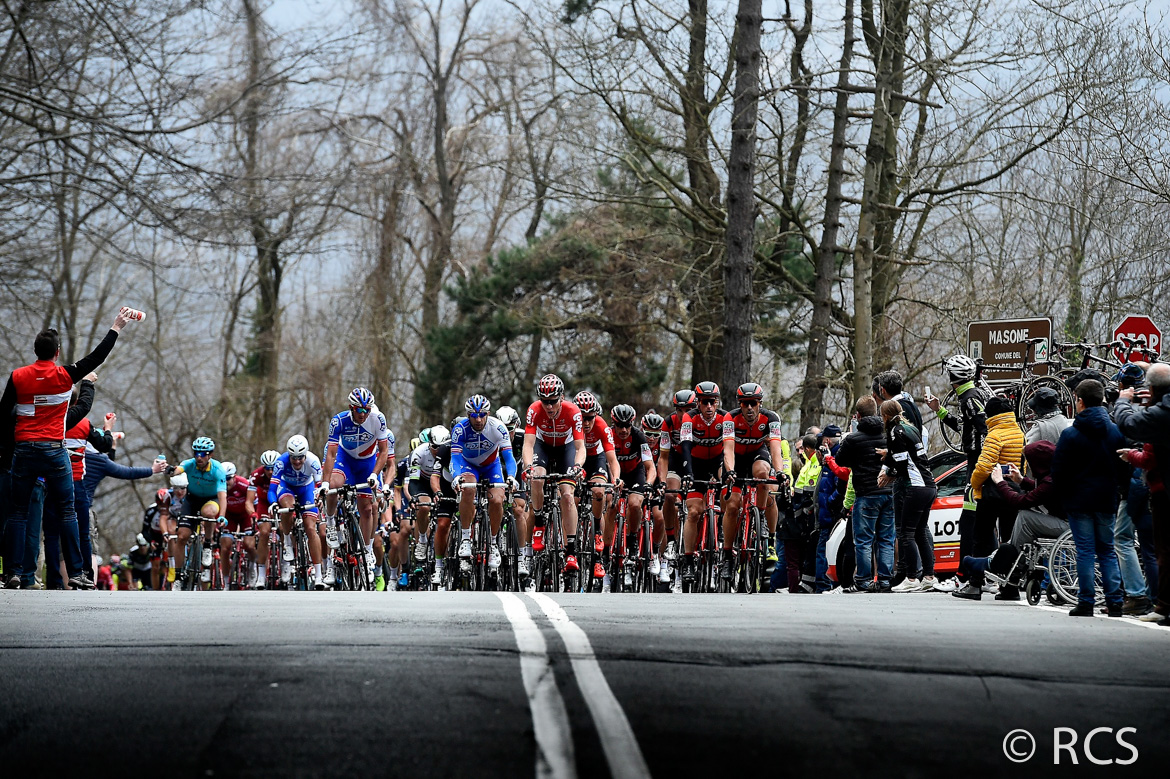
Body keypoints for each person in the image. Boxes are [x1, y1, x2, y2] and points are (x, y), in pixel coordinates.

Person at [0, 306, 139, 589]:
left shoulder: (17, 377)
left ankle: (12, 572)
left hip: (24, 450)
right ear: (57, 352)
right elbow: (97, 357)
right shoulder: (66, 375)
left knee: (17, 513)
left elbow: (4, 415)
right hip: (53, 449)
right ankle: (77, 573)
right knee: (67, 512)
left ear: (35, 351)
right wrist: (116, 328)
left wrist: (6, 451)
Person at [1052, 379, 1125, 617]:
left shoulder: (1070, 434)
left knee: (1085, 550)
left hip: (1078, 501)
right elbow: (1124, 467)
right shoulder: (1115, 431)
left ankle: (1086, 601)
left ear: (1080, 401)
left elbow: (1059, 472)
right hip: (1106, 500)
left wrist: (1063, 498)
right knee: (1107, 550)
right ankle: (1115, 601)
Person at [961, 440, 1067, 598]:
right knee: (1026, 524)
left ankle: (996, 564)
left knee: (1025, 517)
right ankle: (1007, 577)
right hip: (1068, 523)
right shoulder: (1056, 475)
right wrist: (1021, 481)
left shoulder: (1052, 481)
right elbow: (1042, 490)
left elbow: (1019, 501)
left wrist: (1000, 482)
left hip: (1068, 526)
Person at [925, 354, 988, 593]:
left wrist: (983, 463)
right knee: (979, 521)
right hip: (977, 463)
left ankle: (963, 576)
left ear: (953, 376)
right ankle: (985, 574)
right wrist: (939, 410)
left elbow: (984, 429)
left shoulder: (969, 399)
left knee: (969, 522)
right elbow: (966, 426)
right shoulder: (969, 396)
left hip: (976, 465)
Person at [952, 395, 1025, 601]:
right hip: (1012, 492)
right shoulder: (1019, 433)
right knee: (1009, 540)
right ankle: (1010, 586)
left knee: (981, 537)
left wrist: (975, 485)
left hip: (991, 493)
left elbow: (983, 466)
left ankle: (975, 585)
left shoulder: (995, 434)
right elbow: (1023, 463)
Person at [1113, 362, 1170, 626]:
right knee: (1152, 548)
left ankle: (1157, 603)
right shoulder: (1161, 408)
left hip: (1162, 491)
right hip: (1154, 487)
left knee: (1159, 548)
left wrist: (1123, 401)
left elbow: (1130, 425)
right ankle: (1158, 601)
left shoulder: (1162, 414)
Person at [320, 387, 392, 589]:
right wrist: (325, 483)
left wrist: (374, 475)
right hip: (345, 459)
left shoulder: (377, 419)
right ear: (351, 408)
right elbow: (332, 455)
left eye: (366, 410)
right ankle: (332, 522)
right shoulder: (339, 420)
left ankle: (367, 551)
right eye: (359, 410)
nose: (363, 414)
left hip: (367, 464)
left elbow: (384, 452)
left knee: (367, 508)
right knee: (334, 485)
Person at [520, 374, 586, 578]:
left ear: (562, 397)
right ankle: (539, 522)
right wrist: (529, 466)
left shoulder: (573, 411)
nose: (548, 407)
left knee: (567, 494)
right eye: (545, 401)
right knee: (537, 477)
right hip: (544, 447)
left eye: (553, 401)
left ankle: (572, 551)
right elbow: (528, 445)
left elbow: (580, 447)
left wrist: (577, 465)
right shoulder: (534, 410)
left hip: (565, 448)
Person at [721, 383, 788, 582]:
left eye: (753, 403)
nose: (749, 408)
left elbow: (776, 449)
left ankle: (767, 535)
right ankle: (727, 555)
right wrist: (730, 470)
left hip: (758, 455)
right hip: (737, 459)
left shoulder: (771, 418)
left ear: (760, 404)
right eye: (745, 404)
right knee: (732, 505)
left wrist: (781, 473)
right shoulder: (730, 418)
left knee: (763, 475)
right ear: (740, 405)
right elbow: (728, 449)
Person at [833, 396, 895, 592]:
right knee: (886, 538)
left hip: (866, 494)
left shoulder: (854, 439)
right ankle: (885, 580)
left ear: (857, 415)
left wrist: (852, 437)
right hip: (888, 492)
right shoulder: (887, 434)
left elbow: (840, 460)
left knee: (863, 540)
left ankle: (863, 580)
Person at [450, 394, 517, 574]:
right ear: (468, 415)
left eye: (482, 415)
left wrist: (511, 476)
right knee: (467, 487)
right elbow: (455, 458)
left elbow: (509, 458)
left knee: (497, 500)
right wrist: (456, 476)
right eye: (473, 415)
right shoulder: (460, 429)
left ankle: (493, 543)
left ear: (488, 414)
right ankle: (465, 539)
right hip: (468, 465)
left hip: (491, 466)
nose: (478, 419)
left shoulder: (498, 428)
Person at [878, 400, 938, 593]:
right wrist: (888, 455)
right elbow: (909, 455)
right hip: (929, 485)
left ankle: (911, 578)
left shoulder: (895, 431)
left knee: (906, 533)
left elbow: (902, 463)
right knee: (920, 530)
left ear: (886, 416)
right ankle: (929, 576)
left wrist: (889, 473)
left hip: (915, 486)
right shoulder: (910, 428)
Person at [679, 383, 731, 587]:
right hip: (696, 464)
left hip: (718, 461)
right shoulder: (688, 418)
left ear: (717, 402)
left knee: (728, 495)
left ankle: (723, 533)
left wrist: (728, 473)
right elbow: (685, 447)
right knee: (693, 512)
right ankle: (689, 560)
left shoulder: (725, 418)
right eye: (705, 402)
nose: (709, 406)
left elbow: (728, 449)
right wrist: (688, 474)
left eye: (713, 402)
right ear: (698, 403)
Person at [604, 404, 656, 590]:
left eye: (628, 425)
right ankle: (605, 547)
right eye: (620, 426)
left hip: (635, 473)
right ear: (614, 424)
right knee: (611, 504)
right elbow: (605, 462)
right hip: (614, 474)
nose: (624, 430)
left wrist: (649, 484)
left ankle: (633, 539)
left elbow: (650, 467)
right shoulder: (608, 435)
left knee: (635, 504)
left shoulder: (639, 436)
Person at [166, 437, 229, 589]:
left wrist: (223, 515)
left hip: (211, 499)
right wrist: (169, 469)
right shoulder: (190, 464)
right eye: (196, 454)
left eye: (203, 454)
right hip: (192, 500)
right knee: (182, 536)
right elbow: (177, 470)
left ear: (210, 455)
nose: (199, 457)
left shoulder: (217, 469)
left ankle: (207, 544)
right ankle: (179, 577)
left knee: (208, 512)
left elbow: (222, 496)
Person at [269, 435, 326, 590]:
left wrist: (320, 497)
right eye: (293, 458)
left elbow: (320, 485)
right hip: (286, 487)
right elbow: (272, 489)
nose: (297, 461)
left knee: (310, 528)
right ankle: (287, 540)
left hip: (307, 489)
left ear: (305, 454)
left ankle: (319, 575)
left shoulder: (313, 461)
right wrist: (273, 503)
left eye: (300, 457)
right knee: (288, 506)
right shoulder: (281, 462)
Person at [576, 391, 619, 582]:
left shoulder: (602, 427)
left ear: (596, 415)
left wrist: (616, 478)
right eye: (582, 418)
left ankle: (598, 535)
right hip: (576, 459)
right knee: (570, 498)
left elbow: (612, 459)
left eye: (590, 418)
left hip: (595, 460)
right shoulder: (570, 424)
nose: (586, 423)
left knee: (599, 491)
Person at [658, 389, 697, 575]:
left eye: (688, 409)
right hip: (675, 459)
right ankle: (671, 541)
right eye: (679, 410)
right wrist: (662, 481)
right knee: (670, 495)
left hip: (696, 460)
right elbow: (663, 457)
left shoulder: (699, 419)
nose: (683, 414)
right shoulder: (668, 423)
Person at [783, 434, 821, 593]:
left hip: (805, 517)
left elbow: (807, 494)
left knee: (799, 557)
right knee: (804, 556)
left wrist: (802, 510)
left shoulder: (814, 465)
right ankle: (805, 585)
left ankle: (808, 586)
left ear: (806, 449)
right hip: (803, 516)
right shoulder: (809, 465)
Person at [813, 425, 845, 593]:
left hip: (830, 514)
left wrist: (832, 503)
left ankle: (824, 585)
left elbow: (840, 483)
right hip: (828, 513)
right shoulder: (829, 457)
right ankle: (826, 584)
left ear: (826, 440)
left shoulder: (835, 457)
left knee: (823, 552)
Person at [216, 462, 256, 590]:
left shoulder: (243, 484)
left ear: (234, 477)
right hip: (229, 516)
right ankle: (226, 581)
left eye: (228, 479)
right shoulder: (217, 486)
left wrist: (257, 520)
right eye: (223, 479)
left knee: (249, 545)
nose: (226, 482)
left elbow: (255, 502)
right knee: (225, 546)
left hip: (245, 515)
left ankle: (252, 567)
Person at [247, 450, 279, 589]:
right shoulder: (256, 475)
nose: (270, 471)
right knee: (264, 532)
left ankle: (286, 565)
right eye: (267, 468)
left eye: (273, 468)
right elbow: (249, 501)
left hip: (280, 501)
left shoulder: (284, 472)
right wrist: (253, 514)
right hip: (264, 504)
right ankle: (261, 575)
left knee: (285, 529)